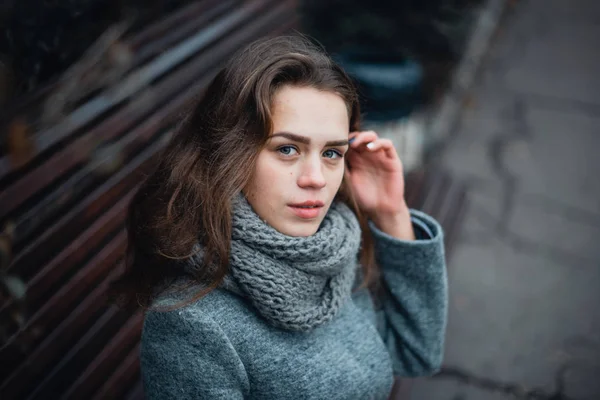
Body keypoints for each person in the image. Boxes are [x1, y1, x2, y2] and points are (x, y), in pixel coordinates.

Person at [110, 34, 448, 400]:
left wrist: (391, 213)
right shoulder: (190, 323)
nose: (316, 178)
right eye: (287, 149)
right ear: (230, 155)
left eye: (332, 153)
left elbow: (415, 353)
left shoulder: (332, 251)